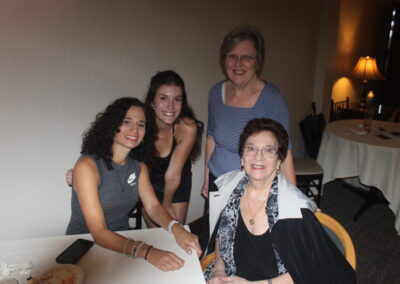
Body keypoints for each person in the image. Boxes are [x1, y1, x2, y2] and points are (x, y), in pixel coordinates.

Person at [204, 118, 356, 283]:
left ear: (279, 161)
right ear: (242, 157)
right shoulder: (230, 190)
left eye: (268, 150)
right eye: (251, 148)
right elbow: (221, 234)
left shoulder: (293, 213)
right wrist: (219, 267)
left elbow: (309, 271)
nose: (258, 157)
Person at [66, 97, 201, 271]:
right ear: (111, 125)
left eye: (141, 124)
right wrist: (147, 251)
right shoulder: (87, 166)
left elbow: (153, 207)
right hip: (85, 245)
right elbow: (99, 232)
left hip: (123, 243)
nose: (134, 130)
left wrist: (178, 229)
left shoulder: (139, 167)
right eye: (126, 121)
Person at [201, 26, 296, 202]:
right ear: (224, 61)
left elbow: (285, 152)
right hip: (218, 181)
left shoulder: (273, 100)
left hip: (254, 186)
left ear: (258, 62)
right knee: (214, 229)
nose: (238, 63)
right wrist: (207, 178)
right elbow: (211, 138)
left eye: (247, 57)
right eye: (232, 56)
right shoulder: (215, 93)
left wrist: (293, 200)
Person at [143, 70, 203, 226]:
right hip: (148, 183)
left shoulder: (187, 127)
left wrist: (165, 205)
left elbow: (173, 175)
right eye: (163, 98)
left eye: (177, 99)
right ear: (152, 102)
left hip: (177, 183)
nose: (170, 106)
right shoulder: (140, 126)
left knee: (174, 234)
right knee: (156, 234)